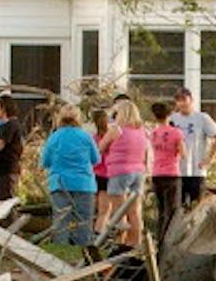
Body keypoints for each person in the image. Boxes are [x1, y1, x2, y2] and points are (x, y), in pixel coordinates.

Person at [41, 104, 101, 246]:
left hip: (60, 182)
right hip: (84, 183)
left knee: (61, 220)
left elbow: (45, 161)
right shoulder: (86, 137)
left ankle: (61, 249)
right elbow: (96, 159)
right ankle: (83, 250)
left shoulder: (54, 137)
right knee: (84, 220)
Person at [103, 99, 151, 246]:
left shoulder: (116, 129)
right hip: (138, 172)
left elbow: (101, 146)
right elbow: (147, 153)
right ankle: (135, 242)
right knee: (135, 211)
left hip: (119, 171)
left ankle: (120, 241)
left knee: (119, 210)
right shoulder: (143, 131)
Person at [170, 88, 216, 209]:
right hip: (177, 170)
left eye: (184, 99)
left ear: (191, 100)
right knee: (178, 208)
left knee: (196, 207)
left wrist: (210, 159)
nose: (182, 103)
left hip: (196, 169)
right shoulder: (173, 119)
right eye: (178, 100)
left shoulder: (202, 118)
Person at [147, 100, 185, 243]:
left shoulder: (154, 133)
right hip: (172, 173)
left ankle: (160, 238)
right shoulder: (176, 132)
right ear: (170, 115)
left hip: (157, 173)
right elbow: (183, 153)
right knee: (173, 210)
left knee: (161, 210)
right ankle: (169, 240)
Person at [91, 108, 118, 236]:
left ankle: (90, 231)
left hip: (94, 174)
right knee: (105, 211)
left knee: (93, 208)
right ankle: (98, 234)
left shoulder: (93, 138)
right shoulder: (112, 138)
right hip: (107, 175)